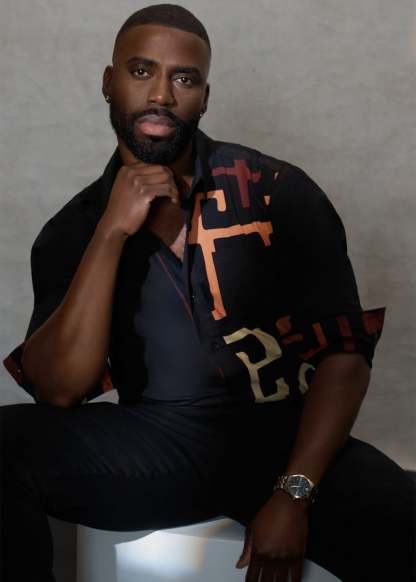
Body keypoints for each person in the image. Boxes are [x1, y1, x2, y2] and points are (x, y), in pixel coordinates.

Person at [1, 4, 414, 582]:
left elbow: (345, 357)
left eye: (184, 78)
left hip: (284, 439)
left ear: (205, 97)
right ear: (108, 82)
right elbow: (60, 388)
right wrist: (111, 232)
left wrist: (294, 494)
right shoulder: (73, 230)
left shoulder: (275, 190)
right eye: (141, 71)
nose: (161, 95)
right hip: (159, 445)